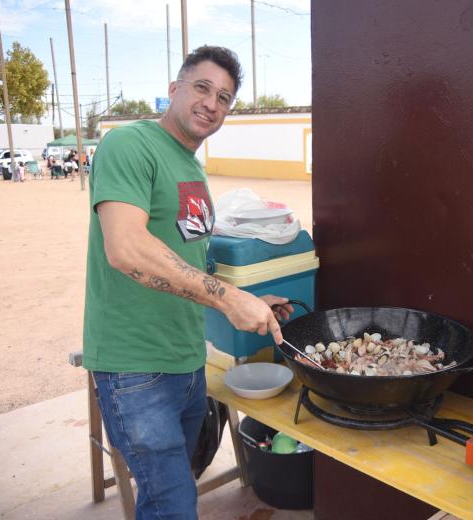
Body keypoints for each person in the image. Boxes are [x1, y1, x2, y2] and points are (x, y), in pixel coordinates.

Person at [82, 45, 293, 519]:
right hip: (134, 367)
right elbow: (126, 248)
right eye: (202, 87)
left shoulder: (192, 167)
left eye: (224, 97)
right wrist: (226, 298)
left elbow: (188, 261)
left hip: (185, 359)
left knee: (174, 491)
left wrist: (246, 298)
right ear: (174, 90)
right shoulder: (129, 145)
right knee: (172, 504)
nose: (212, 103)